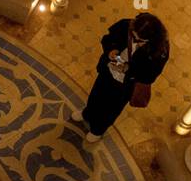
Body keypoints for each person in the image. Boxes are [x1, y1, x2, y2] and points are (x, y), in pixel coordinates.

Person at [71, 12, 169, 145]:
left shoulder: (160, 50)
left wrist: (130, 70)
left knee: (111, 108)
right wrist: (111, 50)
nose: (135, 40)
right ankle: (87, 114)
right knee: (96, 94)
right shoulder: (126, 25)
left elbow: (150, 76)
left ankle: (98, 130)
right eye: (133, 36)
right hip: (108, 71)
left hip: (126, 84)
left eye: (140, 40)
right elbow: (107, 39)